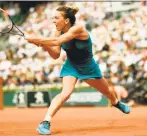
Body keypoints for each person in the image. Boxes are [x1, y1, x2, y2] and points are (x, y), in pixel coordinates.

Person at [25, 5, 131, 135]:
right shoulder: (57, 31)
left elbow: (57, 41)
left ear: (66, 20)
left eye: (56, 18)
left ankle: (116, 103)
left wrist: (36, 39)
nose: (53, 20)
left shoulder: (78, 29)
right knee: (65, 93)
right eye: (53, 18)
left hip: (88, 67)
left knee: (107, 91)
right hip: (71, 65)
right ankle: (45, 122)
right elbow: (55, 54)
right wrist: (43, 45)